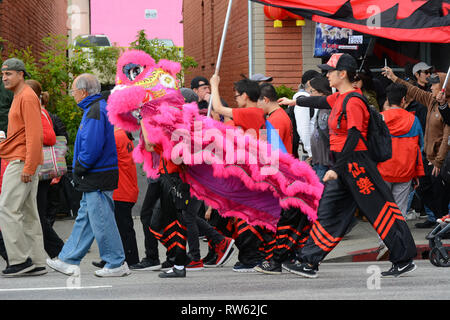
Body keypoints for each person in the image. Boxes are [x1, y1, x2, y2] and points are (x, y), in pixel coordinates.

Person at [278, 53, 417, 278]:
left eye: (329, 72)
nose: (326, 75)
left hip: (355, 163)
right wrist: (294, 101)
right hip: (345, 164)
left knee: (381, 210)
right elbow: (321, 101)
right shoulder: (340, 98)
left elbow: (354, 136)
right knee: (330, 211)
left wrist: (336, 167)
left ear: (342, 74)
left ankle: (403, 259)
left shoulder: (353, 101)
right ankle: (309, 261)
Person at [46, 73, 130, 277]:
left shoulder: (94, 110)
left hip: (96, 175)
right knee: (87, 218)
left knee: (101, 220)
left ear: (83, 92)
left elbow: (91, 146)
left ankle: (116, 262)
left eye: (73, 91)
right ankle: (68, 259)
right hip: (97, 175)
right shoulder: (95, 108)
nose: (73, 95)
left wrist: (80, 168)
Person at [210, 75, 273, 272]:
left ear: (245, 96)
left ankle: (252, 257)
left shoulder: (251, 112)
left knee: (245, 218)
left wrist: (214, 85)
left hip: (250, 175)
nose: (236, 99)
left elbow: (219, 109)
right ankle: (251, 255)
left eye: (237, 96)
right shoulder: (252, 115)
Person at [253, 83, 312, 275]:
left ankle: (278, 261)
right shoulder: (275, 117)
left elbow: (272, 153)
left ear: (266, 100)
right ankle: (285, 258)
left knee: (285, 222)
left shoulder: (277, 120)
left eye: (257, 102)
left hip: (282, 177)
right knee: (286, 221)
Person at [382, 67, 450, 227]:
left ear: (444, 88)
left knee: (441, 195)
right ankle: (438, 220)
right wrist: (394, 78)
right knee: (424, 189)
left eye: (434, 85)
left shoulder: (446, 106)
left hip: (441, 160)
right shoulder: (431, 100)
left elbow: (448, 136)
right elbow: (413, 91)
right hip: (429, 157)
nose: (430, 87)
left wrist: (439, 161)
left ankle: (443, 223)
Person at [0, 58, 47, 277]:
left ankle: (19, 260)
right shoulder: (22, 96)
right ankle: (37, 261)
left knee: (7, 209)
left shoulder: (26, 96)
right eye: (2, 74)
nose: (4, 78)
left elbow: (35, 134)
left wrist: (29, 165)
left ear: (21, 74)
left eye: (8, 73)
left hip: (21, 162)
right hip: (23, 160)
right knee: (28, 212)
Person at [25, 79, 65, 260]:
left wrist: (31, 137)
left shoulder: (38, 112)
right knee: (36, 214)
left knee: (38, 215)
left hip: (39, 168)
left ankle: (60, 252)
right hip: (40, 168)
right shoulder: (39, 111)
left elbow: (49, 138)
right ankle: (56, 252)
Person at [378, 83, 425, 218]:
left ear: (388, 99)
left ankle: (384, 240)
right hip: (405, 170)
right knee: (400, 210)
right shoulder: (413, 120)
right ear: (404, 100)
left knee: (383, 210)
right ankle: (400, 239)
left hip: (383, 170)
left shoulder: (379, 119)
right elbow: (420, 146)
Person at [307, 76, 333, 182]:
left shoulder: (328, 110)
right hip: (318, 161)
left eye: (312, 91)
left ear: (322, 92)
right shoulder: (321, 109)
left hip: (325, 163)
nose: (310, 94)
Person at [291, 70, 320, 160]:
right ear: (309, 83)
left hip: (312, 152)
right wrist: (311, 153)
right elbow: (303, 130)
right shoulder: (303, 101)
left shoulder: (308, 100)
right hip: (309, 154)